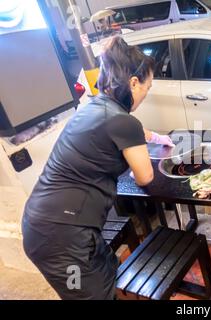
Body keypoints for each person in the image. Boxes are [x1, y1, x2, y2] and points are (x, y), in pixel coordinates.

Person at [21, 36, 174, 300]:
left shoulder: (94, 107)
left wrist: (155, 137)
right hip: (60, 240)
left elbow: (125, 130)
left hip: (56, 226)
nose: (146, 95)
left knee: (108, 274)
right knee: (89, 295)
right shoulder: (123, 121)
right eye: (147, 87)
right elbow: (145, 176)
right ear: (134, 83)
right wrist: (151, 147)